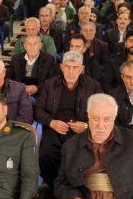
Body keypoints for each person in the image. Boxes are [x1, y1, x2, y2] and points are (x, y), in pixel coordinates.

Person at [35, 51, 102, 187]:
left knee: (78, 157)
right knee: (45, 155)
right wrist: (51, 122)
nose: (71, 71)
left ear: (82, 68)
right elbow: (38, 110)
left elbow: (101, 112)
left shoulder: (93, 86)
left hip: (80, 130)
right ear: (61, 67)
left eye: (75, 67)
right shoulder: (50, 84)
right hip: (55, 128)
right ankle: (53, 187)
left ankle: (72, 188)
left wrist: (86, 126)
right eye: (67, 67)